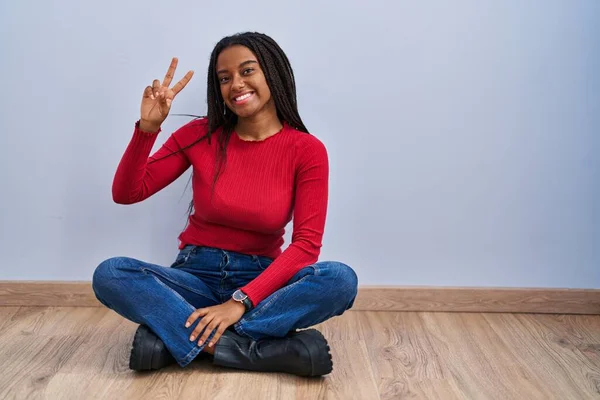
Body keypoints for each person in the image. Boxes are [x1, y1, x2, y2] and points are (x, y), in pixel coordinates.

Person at [92, 32, 358, 377]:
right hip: (194, 278)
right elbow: (128, 192)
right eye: (224, 78)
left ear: (273, 73)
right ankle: (247, 348)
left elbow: (306, 246)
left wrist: (239, 302)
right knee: (111, 273)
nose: (236, 84)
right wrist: (147, 128)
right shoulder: (199, 134)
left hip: (262, 281)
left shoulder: (307, 150)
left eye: (247, 71)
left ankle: (181, 339)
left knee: (339, 279)